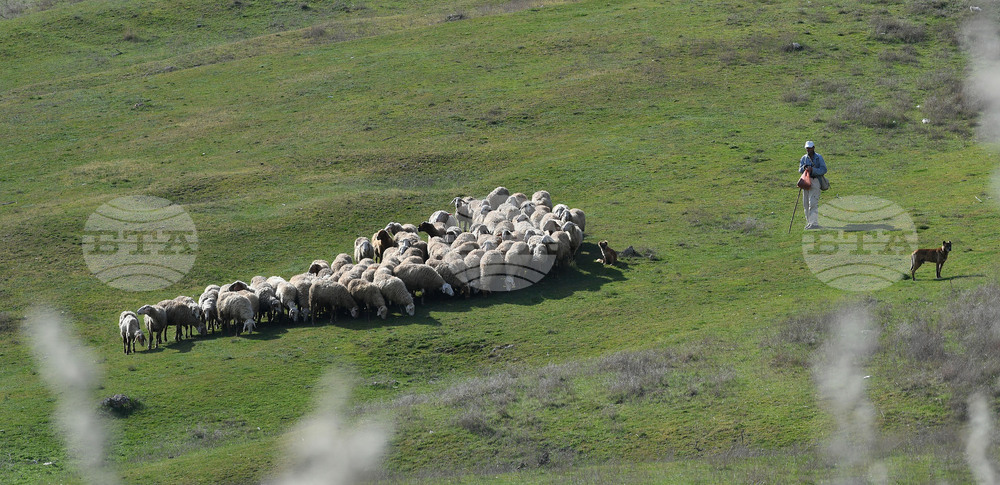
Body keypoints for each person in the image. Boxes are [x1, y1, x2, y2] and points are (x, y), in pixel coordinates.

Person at [799, 140, 827, 230]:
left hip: (815, 181)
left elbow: (824, 169)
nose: (809, 150)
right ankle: (809, 223)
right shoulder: (804, 158)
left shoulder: (819, 157)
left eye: (810, 148)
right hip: (806, 181)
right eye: (807, 148)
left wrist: (813, 170)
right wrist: (804, 168)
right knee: (806, 204)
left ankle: (814, 223)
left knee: (813, 203)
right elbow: (800, 169)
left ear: (813, 148)